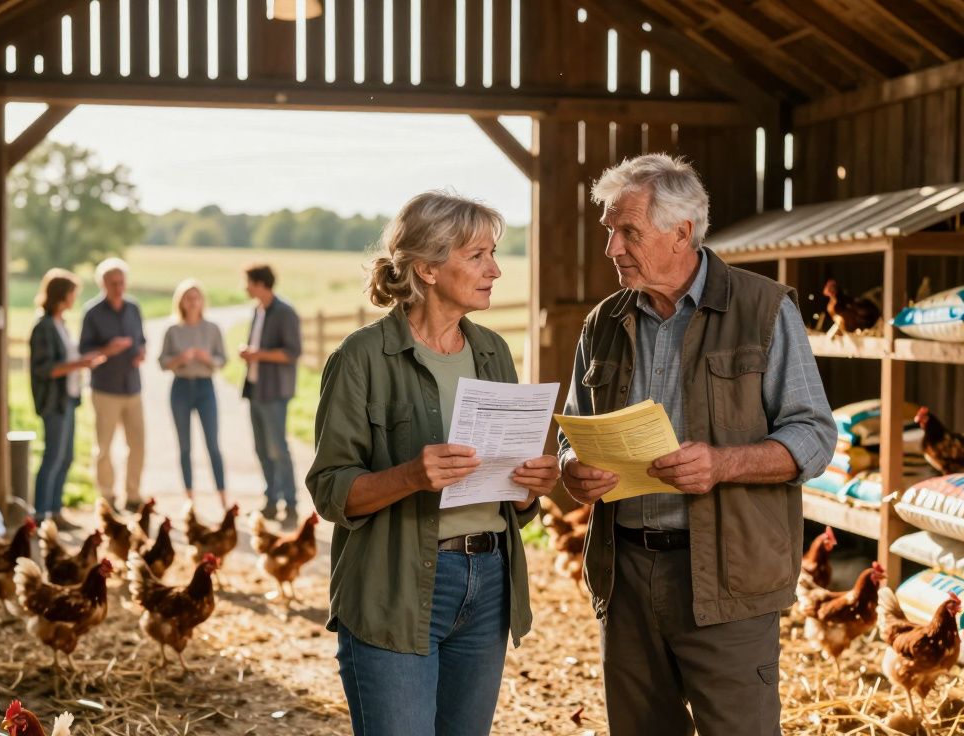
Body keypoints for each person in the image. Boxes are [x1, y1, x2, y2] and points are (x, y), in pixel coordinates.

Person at [557, 154, 837, 736]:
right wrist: (572, 469)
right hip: (626, 575)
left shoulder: (764, 309)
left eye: (627, 231)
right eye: (610, 231)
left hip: (728, 581)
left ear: (682, 231)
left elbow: (813, 437)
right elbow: (574, 430)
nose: (612, 248)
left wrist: (723, 463)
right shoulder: (602, 323)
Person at [306, 191, 561, 736]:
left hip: (490, 579)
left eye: (494, 254)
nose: (495, 270)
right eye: (477, 256)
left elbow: (510, 495)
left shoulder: (494, 351)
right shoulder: (361, 357)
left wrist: (528, 488)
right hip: (394, 585)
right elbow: (330, 490)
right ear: (426, 267)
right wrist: (410, 476)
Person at [29, 269, 104, 530]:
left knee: (66, 457)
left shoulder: (61, 323)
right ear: (63, 295)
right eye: (73, 293)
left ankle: (55, 511)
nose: (75, 298)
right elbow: (44, 368)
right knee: (53, 457)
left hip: (69, 399)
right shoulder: (44, 327)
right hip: (54, 402)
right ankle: (40, 515)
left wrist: (82, 363)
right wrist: (80, 364)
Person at [79, 257, 148, 513]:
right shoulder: (92, 312)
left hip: (133, 387)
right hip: (105, 388)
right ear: (103, 284)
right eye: (113, 283)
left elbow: (141, 340)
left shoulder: (133, 308)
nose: (119, 287)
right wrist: (107, 350)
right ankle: (107, 496)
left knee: (138, 444)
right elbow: (84, 351)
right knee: (105, 447)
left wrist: (140, 352)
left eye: (122, 282)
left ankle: (133, 494)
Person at [159, 279, 229, 510]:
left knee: (213, 444)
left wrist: (207, 358)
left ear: (202, 301)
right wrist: (180, 359)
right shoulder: (173, 329)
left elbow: (223, 360)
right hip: (180, 387)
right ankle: (189, 498)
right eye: (188, 298)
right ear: (181, 301)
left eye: (196, 297)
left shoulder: (212, 329)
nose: (193, 302)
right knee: (185, 446)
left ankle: (222, 497)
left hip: (205, 387)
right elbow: (163, 362)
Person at [239, 264, 302, 523]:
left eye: (248, 282)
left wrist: (257, 355)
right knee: (262, 449)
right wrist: (250, 353)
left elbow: (292, 352)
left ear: (260, 283)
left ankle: (291, 506)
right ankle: (271, 502)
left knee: (279, 450)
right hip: (255, 389)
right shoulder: (258, 310)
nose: (245, 287)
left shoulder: (285, 313)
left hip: (275, 392)